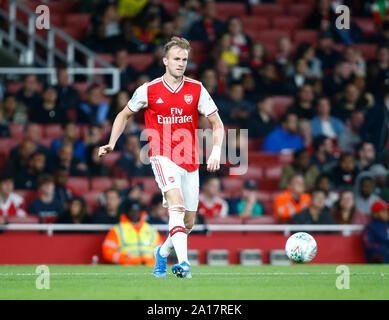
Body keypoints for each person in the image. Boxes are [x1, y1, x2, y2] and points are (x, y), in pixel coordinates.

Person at [98, 36, 224, 279]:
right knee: (175, 205)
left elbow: (217, 124)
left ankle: (162, 252)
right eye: (176, 59)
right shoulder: (148, 90)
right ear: (165, 61)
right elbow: (123, 115)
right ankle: (185, 264)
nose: (181, 63)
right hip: (162, 155)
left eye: (185, 59)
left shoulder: (197, 89)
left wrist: (216, 152)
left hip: (190, 160)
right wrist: (111, 142)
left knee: (188, 223)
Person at [102, 200, 161, 265]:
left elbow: (161, 250)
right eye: (132, 211)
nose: (135, 213)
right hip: (127, 268)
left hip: (150, 267)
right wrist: (125, 260)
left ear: (140, 212)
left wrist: (152, 261)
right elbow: (108, 252)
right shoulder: (117, 229)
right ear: (127, 212)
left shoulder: (151, 229)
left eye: (137, 211)